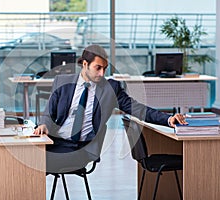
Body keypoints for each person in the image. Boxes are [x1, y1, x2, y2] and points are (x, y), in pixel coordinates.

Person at [34, 44, 187, 173]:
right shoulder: (62, 82)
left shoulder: (110, 88)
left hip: (81, 148)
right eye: (98, 68)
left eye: (104, 69)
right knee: (28, 154)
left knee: (36, 162)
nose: (102, 74)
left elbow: (137, 109)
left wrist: (168, 119)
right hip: (56, 142)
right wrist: (44, 125)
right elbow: (48, 114)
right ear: (85, 64)